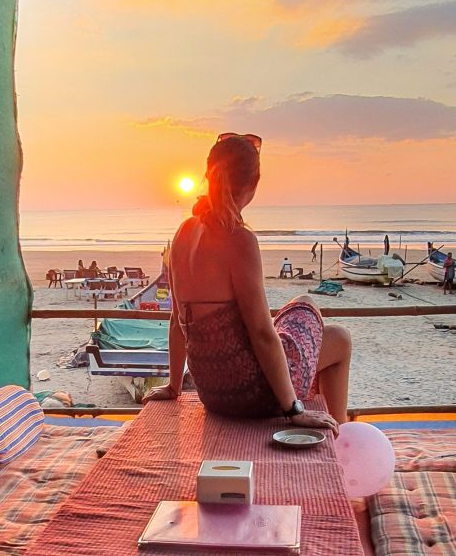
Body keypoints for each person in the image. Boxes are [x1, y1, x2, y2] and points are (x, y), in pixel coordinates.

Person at [143, 134, 350, 429]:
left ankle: (332, 426)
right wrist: (293, 410)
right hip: (254, 393)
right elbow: (262, 335)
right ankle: (338, 432)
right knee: (338, 336)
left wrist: (174, 385)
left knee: (299, 305)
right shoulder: (239, 240)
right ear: (253, 184)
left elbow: (177, 321)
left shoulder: (183, 233)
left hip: (213, 393)